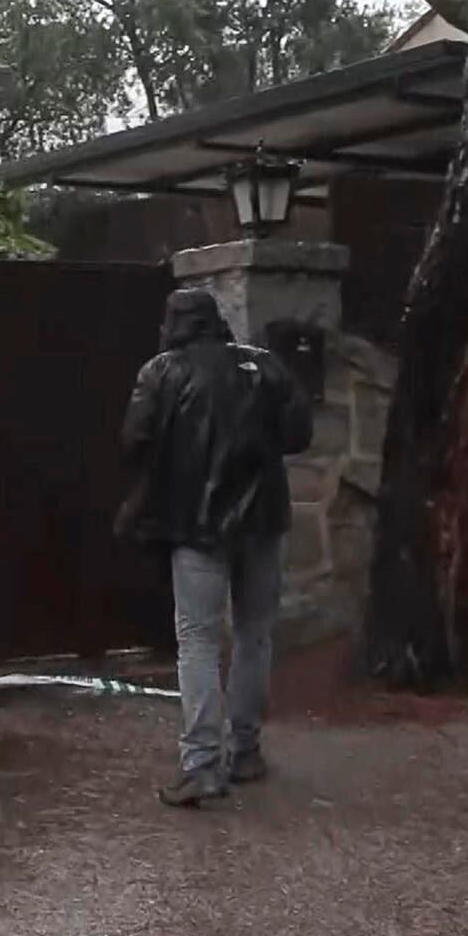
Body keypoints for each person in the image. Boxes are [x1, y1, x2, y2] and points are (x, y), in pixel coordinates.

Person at [118, 288, 313, 807]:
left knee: (198, 641)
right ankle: (244, 750)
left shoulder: (161, 371)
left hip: (196, 524)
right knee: (254, 636)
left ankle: (201, 764)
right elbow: (298, 434)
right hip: (264, 522)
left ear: (174, 323)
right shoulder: (264, 366)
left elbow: (133, 439)